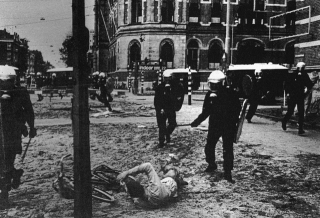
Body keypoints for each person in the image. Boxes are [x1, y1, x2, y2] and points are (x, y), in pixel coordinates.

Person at [190, 70, 241, 182]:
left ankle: (227, 171)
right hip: (214, 126)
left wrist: (233, 121)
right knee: (209, 147)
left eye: (215, 84)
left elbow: (237, 109)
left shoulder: (230, 94)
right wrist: (196, 122)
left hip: (227, 126)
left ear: (221, 83)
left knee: (227, 150)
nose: (213, 86)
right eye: (212, 84)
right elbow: (206, 111)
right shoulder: (209, 95)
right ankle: (211, 163)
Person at [0, 65, 37, 208]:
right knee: (4, 164)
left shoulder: (20, 92)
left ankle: (4, 196)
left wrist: (31, 127)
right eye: (3, 81)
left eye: (9, 81)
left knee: (7, 162)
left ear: (14, 80)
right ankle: (13, 175)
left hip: (13, 133)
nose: (6, 84)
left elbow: (28, 110)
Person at [116, 162, 186, 208]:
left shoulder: (138, 202)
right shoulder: (156, 189)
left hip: (155, 200)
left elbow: (134, 194)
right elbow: (147, 166)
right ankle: (176, 174)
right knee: (170, 173)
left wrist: (126, 184)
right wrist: (127, 173)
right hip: (166, 189)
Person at [154, 71, 184, 148]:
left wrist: (176, 106)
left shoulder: (175, 87)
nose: (167, 80)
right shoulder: (160, 88)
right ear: (164, 79)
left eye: (169, 79)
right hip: (162, 109)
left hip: (170, 109)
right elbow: (157, 100)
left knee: (173, 124)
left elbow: (180, 95)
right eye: (166, 79)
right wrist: (159, 109)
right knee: (162, 126)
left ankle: (167, 133)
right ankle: (161, 142)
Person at [282, 62, 313, 135]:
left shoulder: (305, 75)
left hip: (300, 95)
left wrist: (309, 86)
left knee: (301, 112)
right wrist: (288, 93)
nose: (302, 69)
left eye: (303, 67)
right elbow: (287, 84)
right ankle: (284, 121)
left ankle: (300, 129)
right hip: (292, 95)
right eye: (301, 67)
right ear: (298, 67)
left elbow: (308, 83)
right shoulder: (292, 74)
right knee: (290, 111)